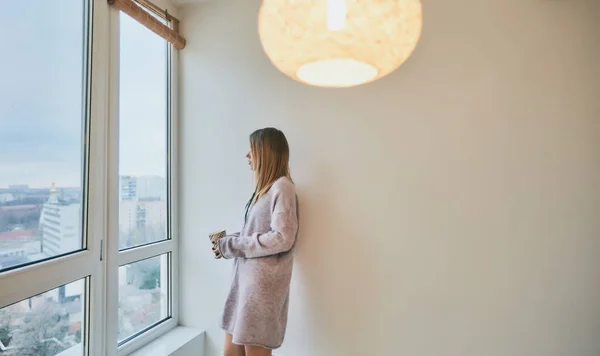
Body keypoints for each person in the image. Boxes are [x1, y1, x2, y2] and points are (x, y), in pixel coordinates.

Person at [211, 127, 299, 356]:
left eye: (252, 150)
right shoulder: (266, 191)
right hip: (244, 287)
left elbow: (282, 238)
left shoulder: (283, 187)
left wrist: (233, 245)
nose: (247, 156)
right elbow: (257, 233)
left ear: (266, 152)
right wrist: (228, 241)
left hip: (260, 292)